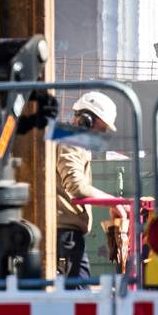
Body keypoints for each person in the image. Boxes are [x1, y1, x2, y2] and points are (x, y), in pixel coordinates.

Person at [49, 92, 113, 277]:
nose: (101, 135)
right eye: (101, 129)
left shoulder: (64, 136)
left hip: (64, 232)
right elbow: (76, 186)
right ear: (86, 120)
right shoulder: (70, 139)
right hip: (65, 234)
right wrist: (114, 201)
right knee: (79, 293)